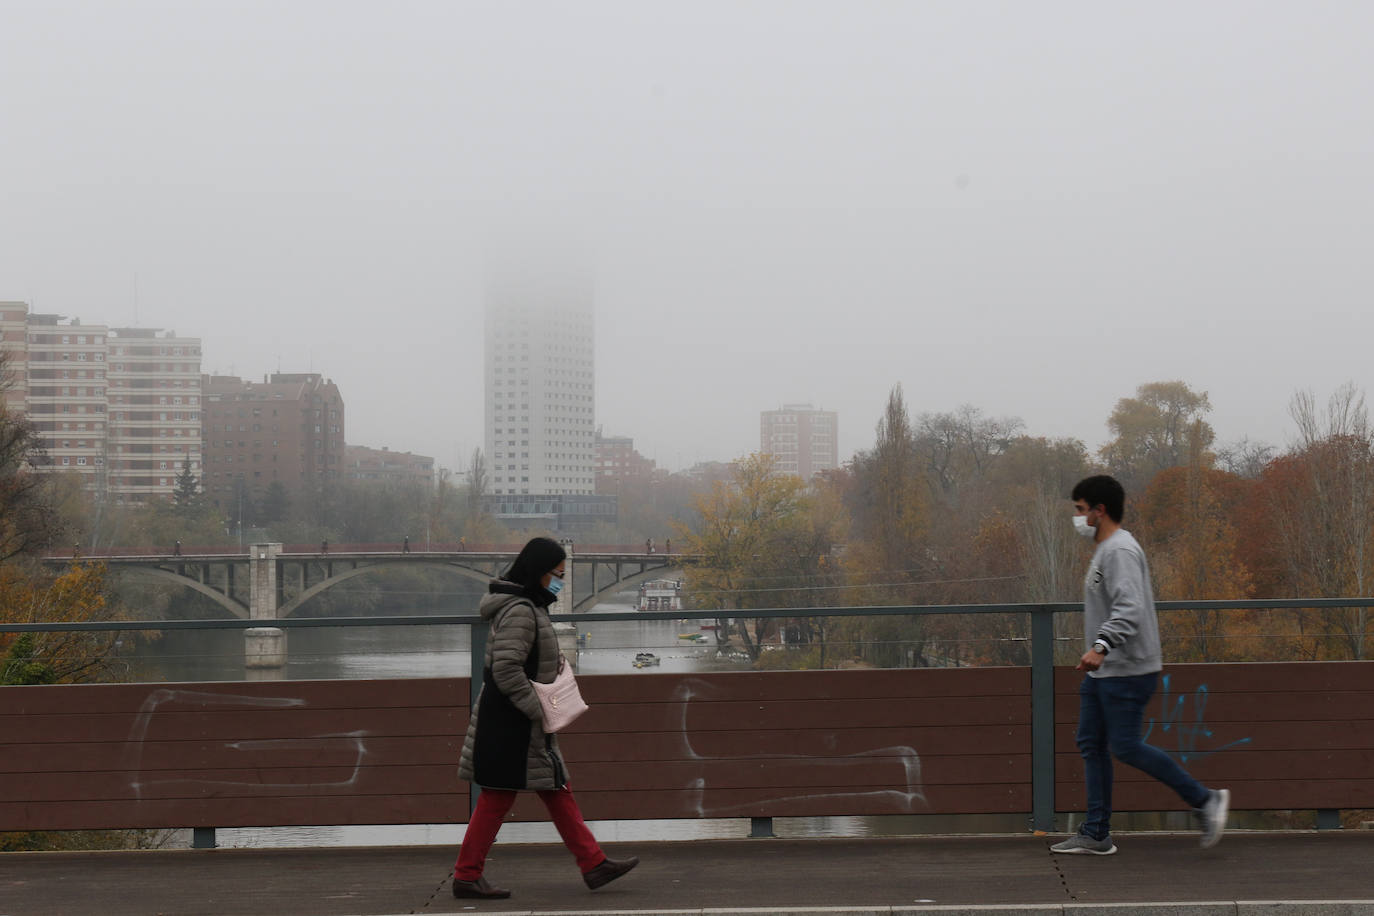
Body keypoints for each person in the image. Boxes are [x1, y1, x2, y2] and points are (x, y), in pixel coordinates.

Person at [1053, 475, 1230, 856]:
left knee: (1126, 747)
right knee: (1091, 743)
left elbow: (1130, 608)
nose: (1078, 518)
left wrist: (1101, 645)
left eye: (1081, 510)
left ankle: (1205, 801)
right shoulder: (1106, 550)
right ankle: (1097, 832)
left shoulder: (1120, 551)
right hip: (1107, 671)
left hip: (1127, 668)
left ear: (1100, 511)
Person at [453, 536, 638, 899]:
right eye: (557, 573)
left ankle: (593, 864)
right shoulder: (521, 610)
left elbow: (520, 662)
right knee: (498, 797)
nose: (560, 581)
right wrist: (538, 709)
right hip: (512, 722)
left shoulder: (529, 606)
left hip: (516, 719)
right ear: (538, 572)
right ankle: (466, 875)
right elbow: (505, 668)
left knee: (555, 786)